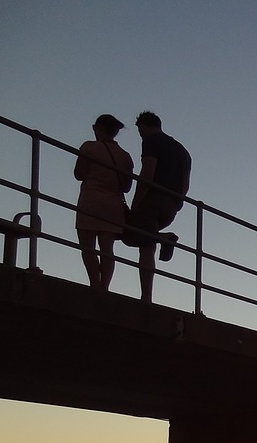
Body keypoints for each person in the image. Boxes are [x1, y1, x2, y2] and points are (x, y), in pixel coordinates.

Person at [123, 111, 191, 303]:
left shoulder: (151, 142)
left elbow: (147, 173)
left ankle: (146, 297)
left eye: (139, 129)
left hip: (152, 200)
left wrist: (136, 203)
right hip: (172, 205)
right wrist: (178, 203)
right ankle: (162, 237)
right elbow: (186, 183)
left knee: (142, 243)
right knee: (141, 238)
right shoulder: (182, 151)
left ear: (144, 126)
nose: (140, 134)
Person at [74, 114, 134, 292]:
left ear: (97, 128)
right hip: (113, 204)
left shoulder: (89, 147)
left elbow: (79, 174)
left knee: (88, 247)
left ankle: (94, 283)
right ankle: (104, 287)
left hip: (90, 200)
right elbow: (127, 186)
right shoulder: (125, 156)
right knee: (107, 249)